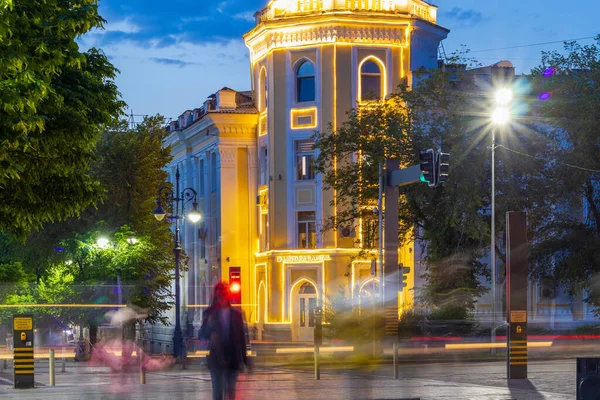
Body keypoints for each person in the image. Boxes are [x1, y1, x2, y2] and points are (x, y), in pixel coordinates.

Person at [200, 282, 249, 400]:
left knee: (231, 393)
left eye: (224, 294)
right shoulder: (209, 313)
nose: (222, 297)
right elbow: (202, 335)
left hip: (233, 359)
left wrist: (245, 360)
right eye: (219, 295)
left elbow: (242, 338)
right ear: (215, 296)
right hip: (216, 359)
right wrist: (209, 325)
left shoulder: (236, 314)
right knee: (217, 393)